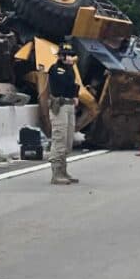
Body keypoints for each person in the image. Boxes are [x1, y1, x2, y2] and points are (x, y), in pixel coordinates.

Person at [46, 43, 80, 185]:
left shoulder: (70, 70)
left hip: (69, 105)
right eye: (66, 55)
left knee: (68, 140)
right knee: (59, 138)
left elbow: (73, 86)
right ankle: (56, 173)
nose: (69, 58)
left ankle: (64, 170)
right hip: (59, 106)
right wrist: (68, 66)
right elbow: (62, 83)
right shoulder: (56, 69)